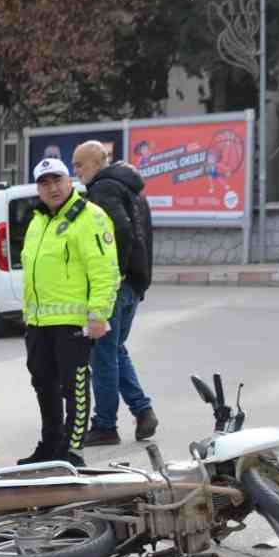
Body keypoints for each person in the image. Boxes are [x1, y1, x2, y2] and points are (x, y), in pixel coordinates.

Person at [18, 157, 119, 467]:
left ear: (70, 181)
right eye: (44, 183)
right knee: (43, 384)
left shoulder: (90, 216)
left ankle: (73, 452)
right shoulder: (37, 221)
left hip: (72, 321)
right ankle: (50, 445)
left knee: (73, 385)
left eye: (57, 180)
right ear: (38, 188)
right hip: (38, 322)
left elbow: (105, 270)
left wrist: (99, 314)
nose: (52, 188)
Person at [72, 140, 158, 446]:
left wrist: (116, 271)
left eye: (80, 164)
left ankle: (106, 425)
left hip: (116, 286)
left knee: (103, 356)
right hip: (133, 285)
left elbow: (120, 230)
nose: (76, 170)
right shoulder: (133, 191)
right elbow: (144, 236)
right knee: (115, 350)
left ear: (97, 163)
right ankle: (143, 410)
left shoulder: (103, 189)